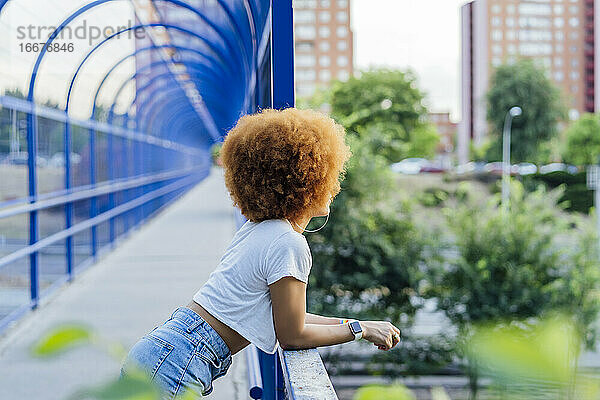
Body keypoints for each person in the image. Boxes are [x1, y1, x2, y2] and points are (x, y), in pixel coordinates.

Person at [119, 108, 402, 398]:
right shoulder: (288, 243)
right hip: (177, 363)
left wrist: (358, 325)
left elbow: (292, 318)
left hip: (166, 352)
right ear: (306, 179)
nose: (333, 186)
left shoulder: (261, 230)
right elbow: (292, 336)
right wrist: (358, 331)